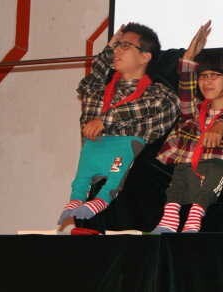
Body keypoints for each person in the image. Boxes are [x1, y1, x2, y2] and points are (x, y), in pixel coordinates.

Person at [58, 23, 180, 224]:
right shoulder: (98, 92)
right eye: (117, 46)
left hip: (132, 197)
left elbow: (158, 106)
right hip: (93, 190)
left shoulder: (159, 94)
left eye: (125, 46)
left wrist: (106, 120)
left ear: (145, 56)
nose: (117, 51)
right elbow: (91, 81)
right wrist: (109, 48)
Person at [152, 21, 223, 233]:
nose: (207, 82)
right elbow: (185, 90)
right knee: (177, 181)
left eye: (215, 75)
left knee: (215, 170)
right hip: (188, 164)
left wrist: (220, 124)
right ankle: (169, 218)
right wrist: (189, 57)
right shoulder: (195, 110)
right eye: (203, 76)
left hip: (216, 163)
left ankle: (195, 217)